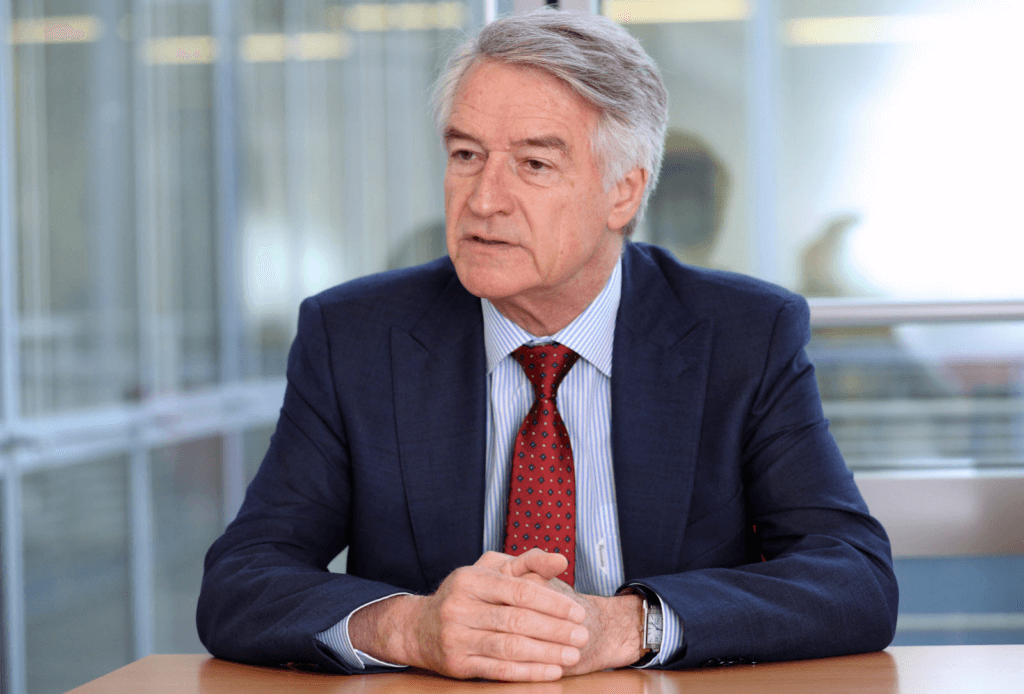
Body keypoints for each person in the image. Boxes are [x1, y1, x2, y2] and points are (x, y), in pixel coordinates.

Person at [197, 9, 898, 681]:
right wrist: (410, 627)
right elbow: (241, 580)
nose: (483, 200)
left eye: (533, 164)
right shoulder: (356, 337)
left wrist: (624, 627)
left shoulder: (743, 334)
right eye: (466, 155)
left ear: (623, 194)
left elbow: (853, 577)